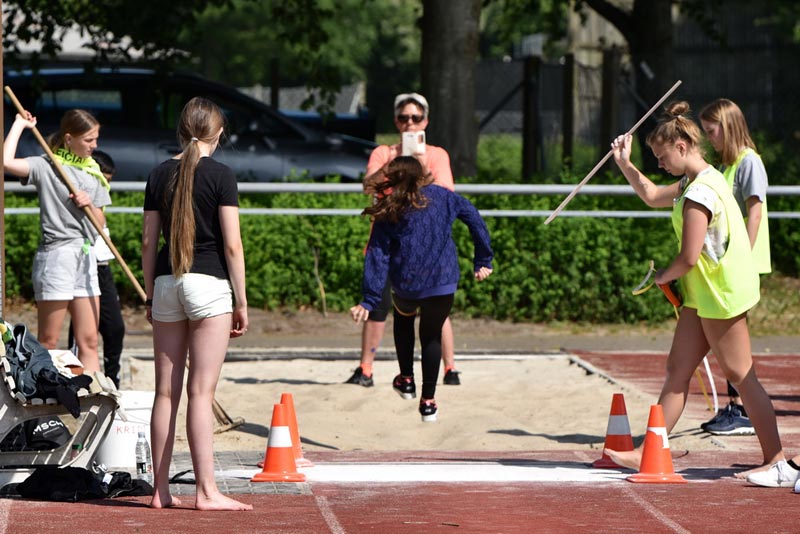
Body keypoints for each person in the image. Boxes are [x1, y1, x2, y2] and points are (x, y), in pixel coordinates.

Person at [603, 101, 784, 478]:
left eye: (662, 155)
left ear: (682, 147)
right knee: (677, 370)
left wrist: (661, 277)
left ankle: (777, 461)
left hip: (721, 296)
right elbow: (652, 195)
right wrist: (624, 162)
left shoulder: (701, 191)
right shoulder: (698, 180)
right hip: (703, 297)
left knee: (741, 375)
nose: (659, 163)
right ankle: (648, 451)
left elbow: (687, 257)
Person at [142, 96, 251, 511]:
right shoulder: (222, 174)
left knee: (164, 394)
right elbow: (233, 244)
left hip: (168, 282)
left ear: (180, 131)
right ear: (217, 135)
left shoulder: (158, 174)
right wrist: (241, 301)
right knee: (200, 393)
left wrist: (152, 293)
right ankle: (206, 492)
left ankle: (159, 491)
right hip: (209, 284)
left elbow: (150, 241)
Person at [349, 156, 493, 422]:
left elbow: (378, 255)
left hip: (407, 285)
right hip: (442, 283)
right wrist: (483, 259)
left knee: (403, 320)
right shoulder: (443, 196)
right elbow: (473, 217)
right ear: (422, 175)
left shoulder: (390, 206)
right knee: (431, 337)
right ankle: (429, 402)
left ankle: (406, 380)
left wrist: (369, 299)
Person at [345, 92, 462, 388]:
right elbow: (368, 185)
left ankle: (450, 368)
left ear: (426, 120)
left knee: (435, 307)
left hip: (426, 246)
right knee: (379, 304)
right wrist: (399, 165)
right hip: (388, 241)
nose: (410, 123)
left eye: (416, 117)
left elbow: (447, 195)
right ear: (396, 121)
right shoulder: (384, 153)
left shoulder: (437, 155)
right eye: (403, 117)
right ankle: (365, 369)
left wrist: (421, 165)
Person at [4, 108, 110, 372]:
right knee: (48, 340)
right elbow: (6, 163)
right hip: (56, 255)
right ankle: (44, 397)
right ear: (69, 138)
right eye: (88, 140)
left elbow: (101, 222)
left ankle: (93, 399)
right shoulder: (46, 165)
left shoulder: (93, 171)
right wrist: (19, 125)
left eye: (96, 139)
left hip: (85, 255)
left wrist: (90, 203)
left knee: (89, 340)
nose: (94, 146)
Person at [697, 98, 771, 436]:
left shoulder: (748, 162)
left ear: (728, 127)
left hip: (742, 260)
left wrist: (743, 254)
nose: (710, 139)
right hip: (727, 262)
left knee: (734, 336)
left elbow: (754, 211)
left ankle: (739, 408)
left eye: (712, 132)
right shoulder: (727, 165)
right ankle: (735, 406)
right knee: (727, 336)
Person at [67, 150, 125, 388]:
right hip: (80, 264)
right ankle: (73, 377)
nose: (106, 186)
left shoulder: (99, 198)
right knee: (81, 331)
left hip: (102, 267)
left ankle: (113, 378)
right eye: (104, 180)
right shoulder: (79, 191)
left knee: (115, 328)